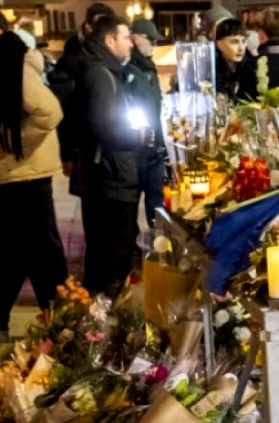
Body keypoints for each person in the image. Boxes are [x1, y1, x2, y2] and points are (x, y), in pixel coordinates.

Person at [0, 4, 66, 342]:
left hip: (27, 173)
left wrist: (19, 144)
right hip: (17, 174)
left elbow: (50, 111)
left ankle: (64, 323)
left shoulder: (12, 65)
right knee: (13, 251)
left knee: (38, 253)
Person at [73, 14, 146, 297]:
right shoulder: (101, 75)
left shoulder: (106, 71)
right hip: (110, 175)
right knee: (114, 253)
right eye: (126, 37)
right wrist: (137, 136)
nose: (131, 43)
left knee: (108, 251)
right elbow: (105, 127)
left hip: (109, 172)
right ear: (109, 40)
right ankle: (102, 322)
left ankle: (96, 316)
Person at [58, 3, 116, 172]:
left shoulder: (115, 57)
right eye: (97, 25)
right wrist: (67, 153)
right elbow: (66, 106)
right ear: (87, 26)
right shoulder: (72, 54)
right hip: (84, 142)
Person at [127, 18, 166, 231]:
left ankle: (158, 244)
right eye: (150, 39)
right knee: (132, 200)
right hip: (136, 147)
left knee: (156, 200)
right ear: (136, 38)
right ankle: (130, 245)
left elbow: (156, 104)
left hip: (154, 147)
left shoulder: (149, 68)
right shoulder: (129, 70)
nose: (154, 44)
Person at [213, 17, 247, 99]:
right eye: (234, 42)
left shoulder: (250, 68)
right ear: (219, 44)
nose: (241, 48)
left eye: (243, 41)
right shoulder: (212, 70)